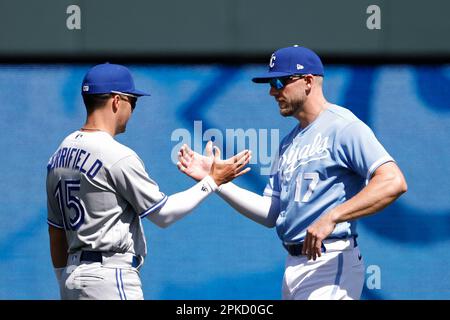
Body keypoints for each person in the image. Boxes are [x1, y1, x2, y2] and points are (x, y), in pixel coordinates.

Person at [177, 46, 408, 300]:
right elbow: (271, 213)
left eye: (279, 82)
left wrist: (333, 216)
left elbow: (393, 181)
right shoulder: (288, 142)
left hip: (330, 260)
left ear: (308, 81)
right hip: (294, 266)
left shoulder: (343, 125)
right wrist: (216, 182)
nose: (272, 91)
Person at [46, 63, 251, 300]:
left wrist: (65, 279)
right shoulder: (116, 154)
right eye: (133, 101)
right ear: (116, 101)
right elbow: (163, 215)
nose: (133, 109)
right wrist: (212, 181)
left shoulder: (59, 154)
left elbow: (56, 231)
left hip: (72, 276)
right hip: (110, 276)